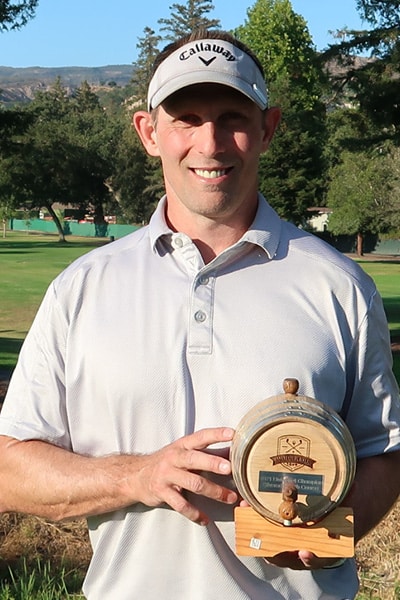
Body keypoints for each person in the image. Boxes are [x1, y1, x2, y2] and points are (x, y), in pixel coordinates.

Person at [0, 28, 399, 600]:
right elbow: (10, 469)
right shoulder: (80, 290)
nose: (210, 144)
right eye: (186, 117)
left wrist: (335, 529)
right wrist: (136, 476)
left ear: (268, 128)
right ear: (149, 132)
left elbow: (382, 452)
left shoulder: (341, 286)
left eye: (232, 116)